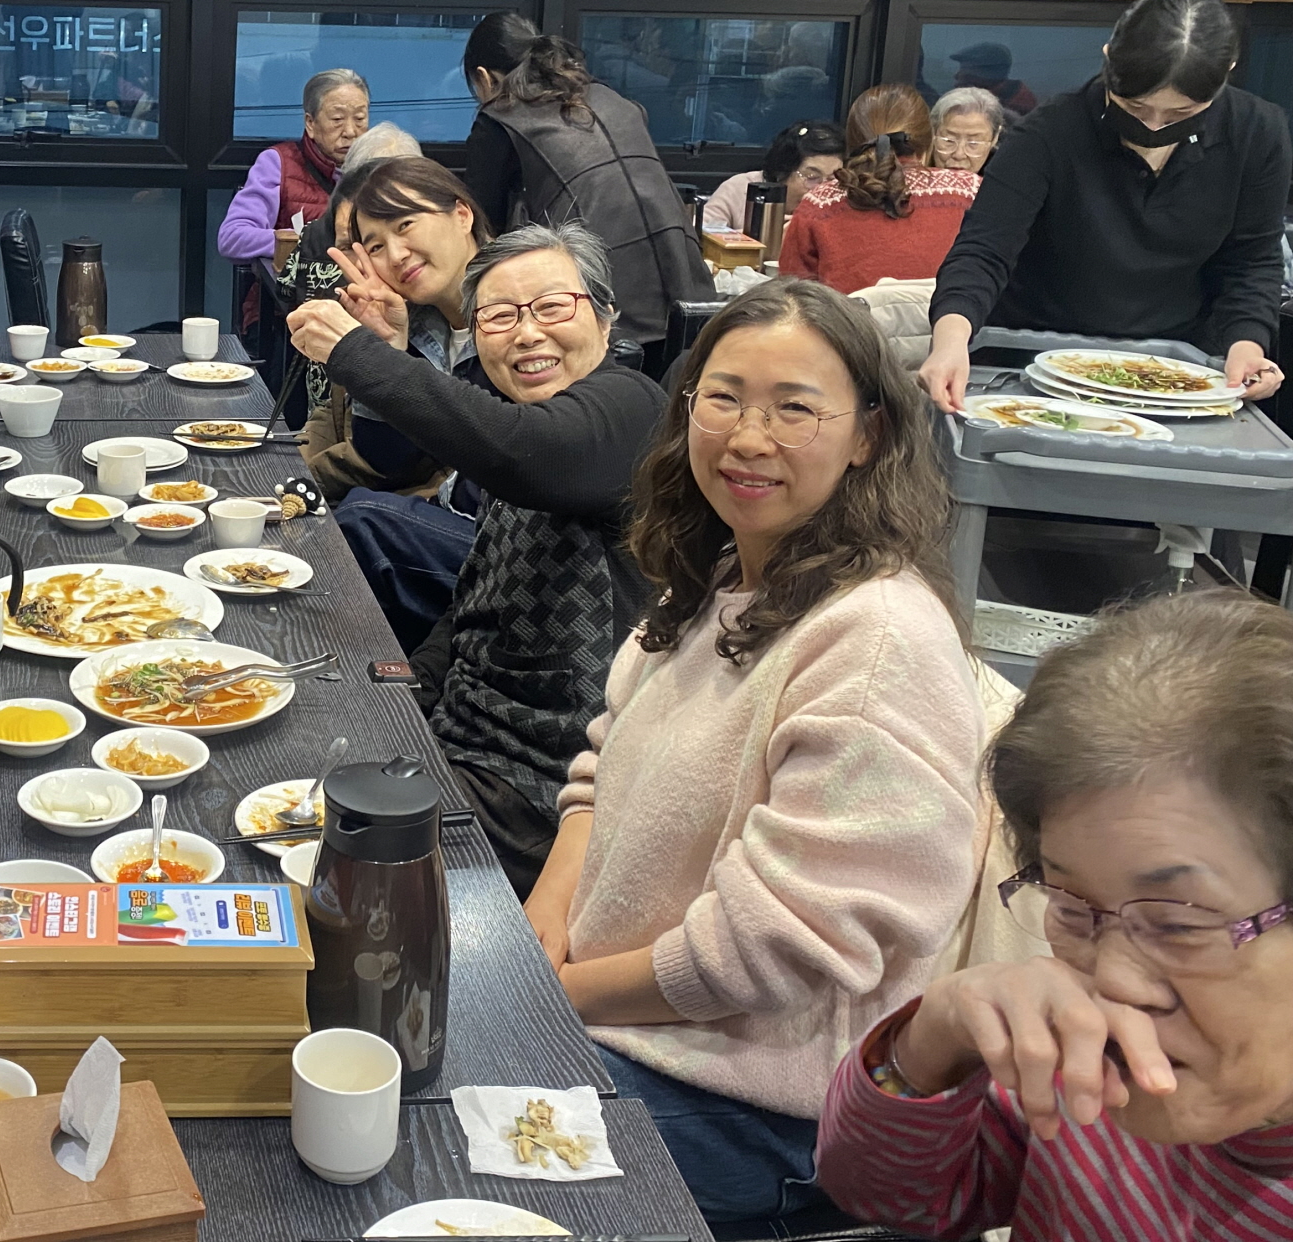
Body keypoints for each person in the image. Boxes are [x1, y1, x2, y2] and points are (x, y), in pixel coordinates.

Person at [530, 278, 985, 1224]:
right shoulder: (719, 578)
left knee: (436, 1129)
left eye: (794, 409)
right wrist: (549, 910)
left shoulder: (878, 640)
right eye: (725, 398)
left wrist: (556, 997)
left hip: (756, 1107)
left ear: (867, 437)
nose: (747, 437)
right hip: (627, 1020)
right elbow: (605, 763)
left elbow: (777, 946)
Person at [816, 591, 1293, 1239]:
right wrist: (934, 1040)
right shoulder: (1085, 1074)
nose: (1113, 980)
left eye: (1178, 924)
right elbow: (886, 1195)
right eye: (1070, 907)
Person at [293, 223, 664, 890]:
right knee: (282, 754)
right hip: (455, 746)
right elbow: (476, 605)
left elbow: (529, 455)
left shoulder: (631, 408)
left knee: (300, 851)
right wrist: (395, 696)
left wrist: (354, 352)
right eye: (499, 316)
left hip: (547, 793)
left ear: (606, 320)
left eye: (552, 307)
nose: (527, 334)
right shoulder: (523, 416)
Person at [920, 0, 1290, 412]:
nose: (1153, 126)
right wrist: (951, 341)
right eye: (1134, 107)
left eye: (1181, 114)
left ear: (1227, 71)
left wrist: (1246, 344)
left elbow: (1252, 261)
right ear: (1109, 57)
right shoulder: (1048, 133)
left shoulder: (1257, 134)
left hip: (1177, 367)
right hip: (1030, 356)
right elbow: (983, 250)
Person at [287, 157, 491, 651]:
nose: (396, 254)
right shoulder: (414, 319)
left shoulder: (512, 313)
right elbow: (386, 460)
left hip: (504, 543)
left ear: (462, 214)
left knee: (360, 522)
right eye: (375, 245)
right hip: (437, 526)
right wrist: (385, 352)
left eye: (406, 225)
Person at [459, 13, 714, 365]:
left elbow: (481, 229)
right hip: (692, 296)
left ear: (484, 78)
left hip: (608, 306)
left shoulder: (500, 118)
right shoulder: (613, 99)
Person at [271, 123, 421, 465]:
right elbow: (335, 414)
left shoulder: (429, 303)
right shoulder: (379, 291)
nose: (362, 259)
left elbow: (285, 289)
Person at [778, 84, 980, 294]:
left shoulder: (819, 203)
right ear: (927, 145)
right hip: (951, 315)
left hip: (847, 316)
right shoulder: (972, 191)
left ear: (852, 143)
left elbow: (792, 295)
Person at [218, 68, 370, 264]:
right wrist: (306, 242)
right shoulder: (278, 163)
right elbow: (232, 237)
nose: (350, 131)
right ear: (310, 123)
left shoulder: (379, 167)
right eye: (337, 120)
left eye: (359, 119)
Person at [700, 122, 845, 233]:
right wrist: (766, 236)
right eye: (812, 177)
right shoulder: (740, 189)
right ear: (782, 172)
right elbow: (701, 235)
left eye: (833, 180)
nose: (821, 189)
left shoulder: (843, 200)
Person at [947, 41, 1038, 117]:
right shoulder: (977, 96)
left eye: (965, 69)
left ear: (984, 75)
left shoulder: (1016, 108)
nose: (957, 75)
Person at [929, 86, 1006, 174]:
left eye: (973, 143)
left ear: (995, 138)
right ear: (932, 133)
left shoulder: (1006, 176)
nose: (959, 155)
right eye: (949, 140)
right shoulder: (917, 169)